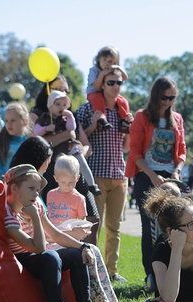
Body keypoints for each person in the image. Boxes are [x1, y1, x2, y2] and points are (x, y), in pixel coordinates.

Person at [3, 164, 94, 302]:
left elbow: (55, 234)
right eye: (31, 188)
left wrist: (83, 247)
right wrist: (35, 218)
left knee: (76, 255)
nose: (36, 193)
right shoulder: (8, 213)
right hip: (22, 258)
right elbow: (38, 248)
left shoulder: (35, 204)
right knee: (50, 256)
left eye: (38, 189)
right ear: (15, 188)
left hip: (39, 255)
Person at [45, 155, 131, 302]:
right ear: (55, 179)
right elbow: (50, 230)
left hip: (67, 239)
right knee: (88, 255)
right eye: (63, 183)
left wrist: (74, 233)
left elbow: (81, 226)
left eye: (71, 183)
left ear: (77, 179)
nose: (67, 186)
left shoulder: (79, 198)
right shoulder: (49, 195)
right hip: (54, 242)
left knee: (94, 251)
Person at [126, 76, 187, 283]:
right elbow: (134, 152)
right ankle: (151, 274)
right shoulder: (142, 117)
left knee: (173, 226)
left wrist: (177, 170)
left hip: (171, 178)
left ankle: (171, 271)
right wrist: (152, 175)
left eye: (172, 97)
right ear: (155, 95)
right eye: (164, 97)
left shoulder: (177, 118)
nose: (168, 101)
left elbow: (182, 151)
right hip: (147, 176)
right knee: (149, 228)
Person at [28, 77, 100, 246]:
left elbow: (86, 144)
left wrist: (81, 151)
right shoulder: (38, 114)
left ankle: (89, 257)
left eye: (66, 91)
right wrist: (66, 135)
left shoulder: (69, 116)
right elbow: (35, 142)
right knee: (52, 220)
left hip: (73, 170)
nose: (63, 94)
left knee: (91, 217)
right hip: (50, 171)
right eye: (58, 89)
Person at [76, 67, 131, 282]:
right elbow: (78, 140)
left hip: (119, 174)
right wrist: (93, 124)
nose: (116, 86)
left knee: (114, 228)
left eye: (119, 83)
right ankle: (93, 270)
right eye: (111, 82)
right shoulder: (87, 109)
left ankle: (112, 271)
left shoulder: (123, 111)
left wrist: (130, 129)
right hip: (96, 174)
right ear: (101, 84)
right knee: (93, 226)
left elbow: (126, 148)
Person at [35, 90, 99, 196]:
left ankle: (92, 185)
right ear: (50, 106)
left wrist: (69, 116)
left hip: (70, 146)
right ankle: (64, 186)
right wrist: (46, 129)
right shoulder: (44, 118)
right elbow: (36, 132)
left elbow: (71, 128)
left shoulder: (66, 117)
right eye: (58, 104)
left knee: (82, 163)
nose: (61, 107)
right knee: (63, 166)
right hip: (57, 150)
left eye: (64, 105)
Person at [86, 46, 132, 133]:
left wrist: (118, 68)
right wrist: (102, 74)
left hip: (107, 94)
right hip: (94, 93)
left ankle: (124, 121)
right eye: (104, 59)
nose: (107, 63)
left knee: (123, 101)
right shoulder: (94, 70)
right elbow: (96, 86)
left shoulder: (112, 70)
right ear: (98, 59)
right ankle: (102, 120)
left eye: (110, 61)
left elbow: (125, 78)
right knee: (98, 99)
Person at [0, 102, 30, 180]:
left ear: (25, 121)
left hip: (27, 187)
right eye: (6, 121)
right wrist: (9, 182)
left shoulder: (31, 144)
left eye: (13, 120)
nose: (9, 124)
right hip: (6, 186)